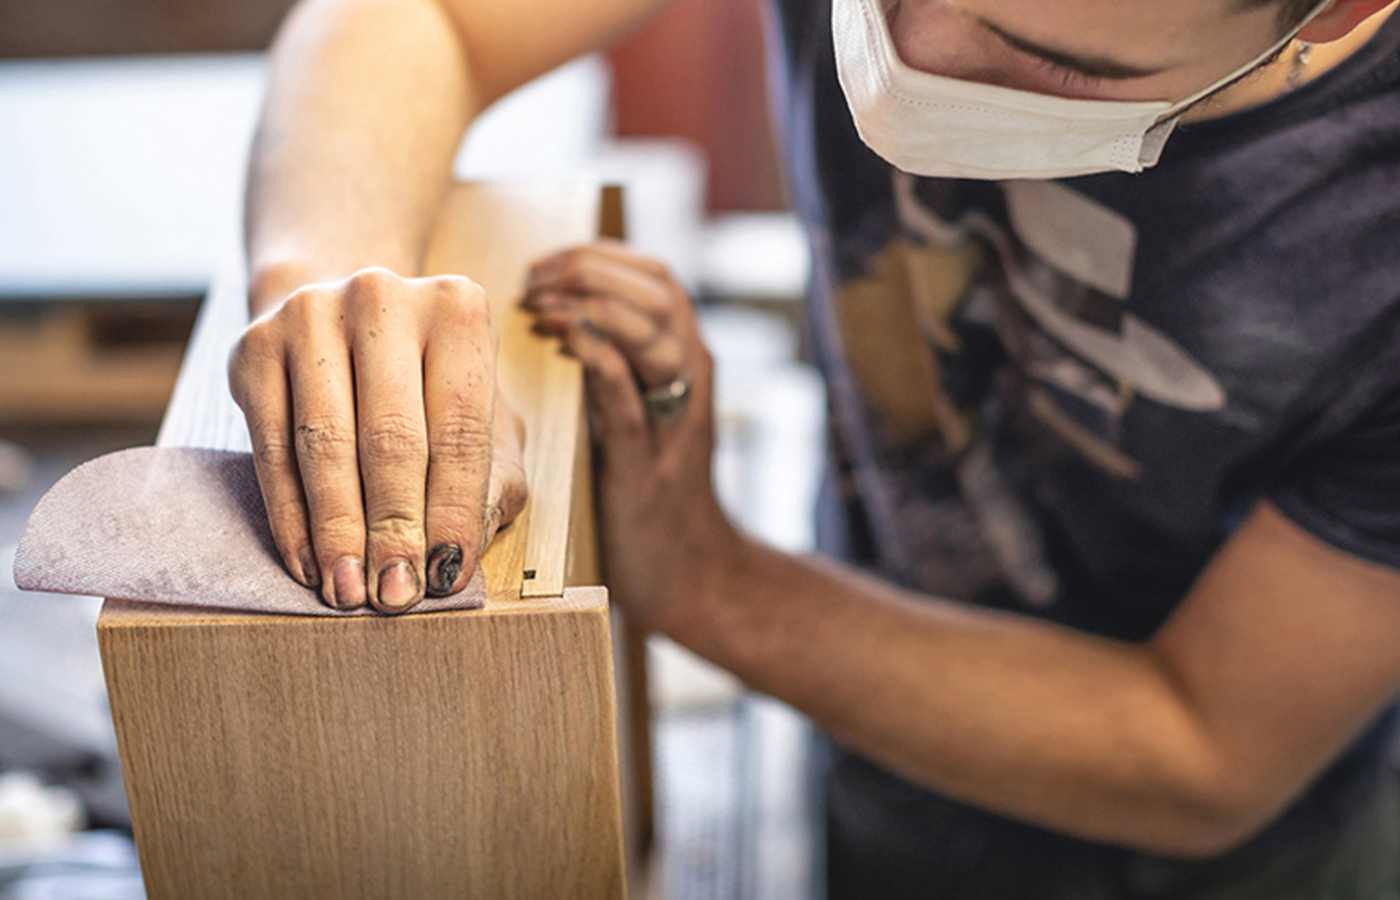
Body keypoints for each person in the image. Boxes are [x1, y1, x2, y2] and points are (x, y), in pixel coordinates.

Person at [229, 0, 1400, 894]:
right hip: (868, 731)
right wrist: (332, 294)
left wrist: (706, 581)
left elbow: (1199, 752)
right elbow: (427, 20)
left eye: (1049, 62)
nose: (914, 49)